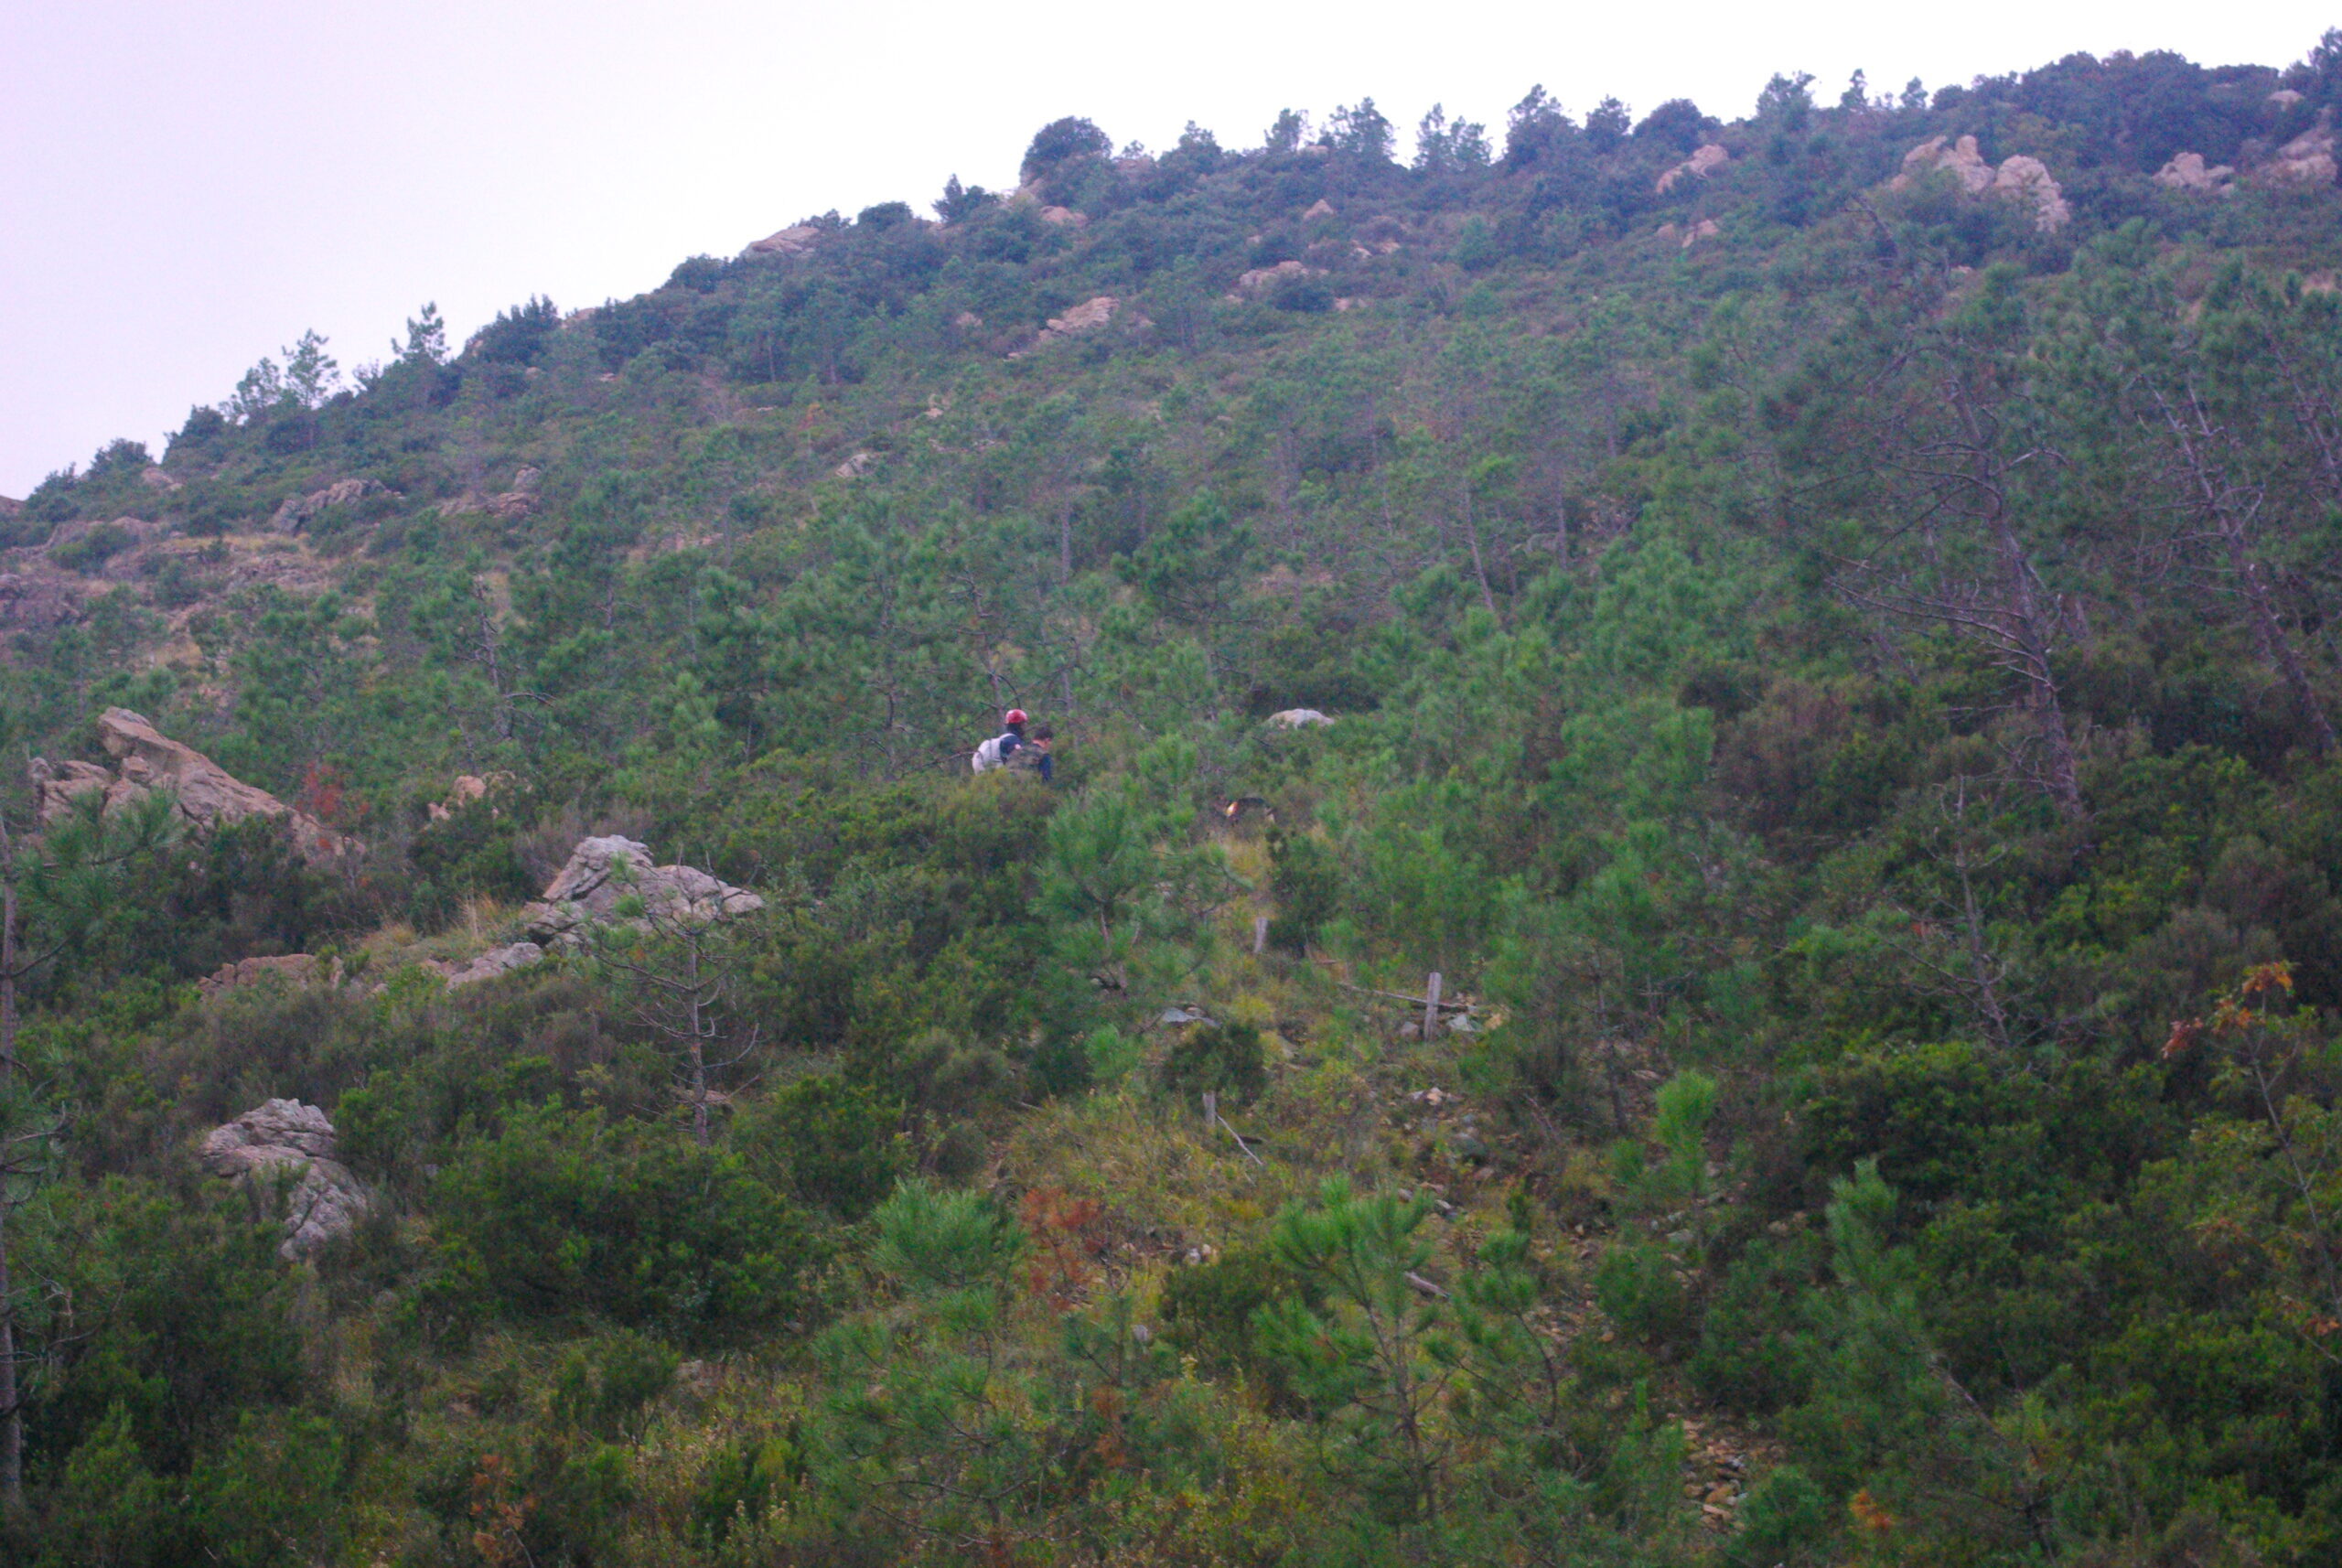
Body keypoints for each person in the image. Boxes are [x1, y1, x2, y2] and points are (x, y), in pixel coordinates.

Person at [972, 709, 1052, 781]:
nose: (1025, 727)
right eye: (1024, 724)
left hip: (986, 775)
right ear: (1020, 725)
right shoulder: (1014, 741)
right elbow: (1020, 766)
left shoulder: (1003, 739)